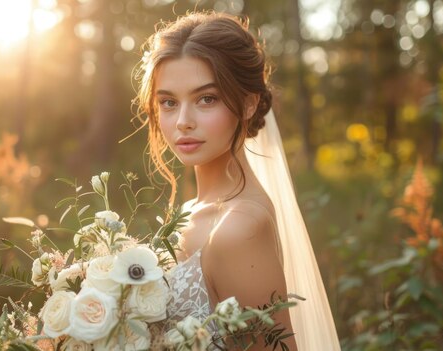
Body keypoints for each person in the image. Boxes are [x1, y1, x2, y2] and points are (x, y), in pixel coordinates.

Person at [134, 11, 340, 350]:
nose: (183, 121)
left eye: (206, 99)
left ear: (248, 104)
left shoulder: (239, 228)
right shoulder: (190, 211)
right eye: (169, 102)